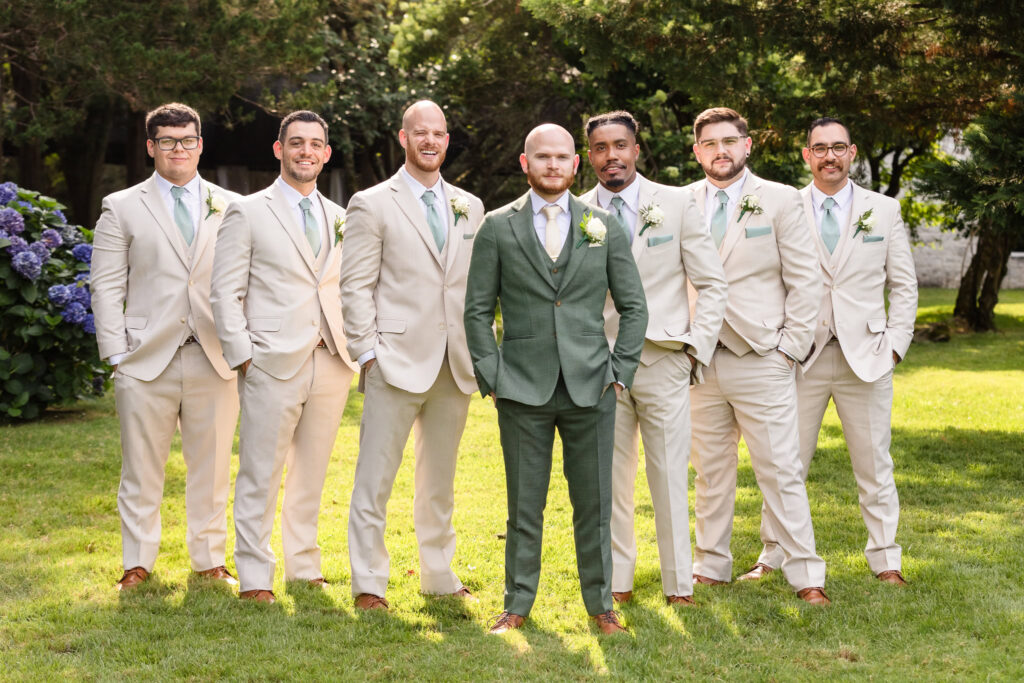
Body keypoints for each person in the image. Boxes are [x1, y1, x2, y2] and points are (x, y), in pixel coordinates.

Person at [464, 123, 648, 634]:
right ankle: (517, 604)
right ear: (525, 163)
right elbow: (477, 311)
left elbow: (633, 307)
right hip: (521, 386)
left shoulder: (602, 226)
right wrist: (493, 374)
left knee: (595, 504)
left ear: (575, 164)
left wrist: (620, 372)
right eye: (541, 157)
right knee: (525, 504)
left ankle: (601, 605)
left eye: (561, 157)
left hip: (593, 385)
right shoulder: (498, 227)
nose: (552, 165)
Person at [744, 117, 917, 586]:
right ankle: (772, 553)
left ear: (853, 152)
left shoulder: (884, 210)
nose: (829, 157)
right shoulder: (784, 206)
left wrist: (895, 347)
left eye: (838, 147)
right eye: (819, 148)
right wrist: (780, 345)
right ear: (806, 155)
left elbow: (904, 285)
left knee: (874, 464)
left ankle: (886, 560)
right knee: (784, 461)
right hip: (800, 357)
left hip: (868, 357)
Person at [579, 111, 727, 607]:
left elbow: (711, 284)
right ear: (590, 157)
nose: (611, 156)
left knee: (668, 476)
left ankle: (678, 584)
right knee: (609, 479)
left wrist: (694, 350)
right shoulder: (575, 212)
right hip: (600, 366)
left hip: (665, 359)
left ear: (636, 149)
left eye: (619, 145)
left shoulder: (678, 203)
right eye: (600, 148)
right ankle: (618, 581)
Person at [340, 100, 484, 610]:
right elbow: (354, 285)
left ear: (447, 140)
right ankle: (369, 582)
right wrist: (367, 353)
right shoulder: (371, 202)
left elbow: (469, 286)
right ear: (402, 138)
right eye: (419, 133)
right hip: (393, 359)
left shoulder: (471, 205)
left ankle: (438, 573)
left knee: (439, 479)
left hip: (453, 362)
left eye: (438, 133)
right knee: (374, 480)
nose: (430, 141)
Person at [683, 107, 830, 604]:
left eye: (730, 140)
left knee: (780, 468)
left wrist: (788, 350)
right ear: (697, 150)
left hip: (762, 355)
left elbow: (805, 279)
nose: (720, 150)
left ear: (748, 145)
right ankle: (710, 564)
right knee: (710, 470)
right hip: (699, 361)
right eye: (710, 143)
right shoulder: (679, 202)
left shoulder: (782, 200)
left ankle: (806, 574)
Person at [92, 103, 241, 591]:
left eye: (188, 140)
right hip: (143, 358)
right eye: (168, 141)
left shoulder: (232, 205)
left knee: (213, 465)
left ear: (200, 144)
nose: (179, 149)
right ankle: (137, 562)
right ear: (151, 147)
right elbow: (106, 285)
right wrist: (117, 355)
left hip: (213, 354)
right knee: (140, 467)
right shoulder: (122, 206)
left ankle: (209, 560)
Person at [210, 110, 357, 603]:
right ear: (279, 150)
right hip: (270, 362)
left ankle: (303, 566)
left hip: (331, 362)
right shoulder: (247, 212)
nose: (306, 152)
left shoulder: (340, 218)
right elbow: (224, 292)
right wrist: (244, 357)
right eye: (296, 143)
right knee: (260, 471)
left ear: (326, 153)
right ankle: (254, 575)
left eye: (316, 144)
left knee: (312, 471)